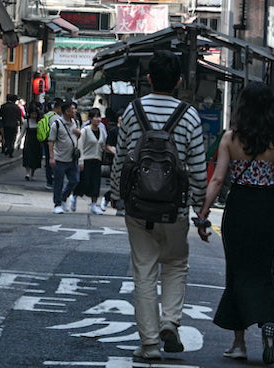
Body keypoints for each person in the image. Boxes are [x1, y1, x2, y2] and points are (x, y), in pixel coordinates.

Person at [111, 50, 207, 361]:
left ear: (149, 79)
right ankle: (170, 321)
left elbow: (122, 158)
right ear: (179, 81)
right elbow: (197, 164)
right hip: (175, 209)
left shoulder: (132, 111)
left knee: (144, 272)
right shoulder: (189, 116)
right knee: (176, 264)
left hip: (138, 207)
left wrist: (116, 194)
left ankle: (150, 344)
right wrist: (199, 205)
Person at [196, 81, 274, 364]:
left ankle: (239, 343)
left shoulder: (231, 138)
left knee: (237, 274)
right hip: (266, 210)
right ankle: (268, 323)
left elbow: (216, 180)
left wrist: (203, 215)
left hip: (238, 209)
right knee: (263, 272)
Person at [50, 98, 82, 212]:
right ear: (66, 111)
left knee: (75, 180)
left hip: (72, 158)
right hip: (60, 158)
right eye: (73, 109)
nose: (75, 111)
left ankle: (63, 197)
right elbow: (51, 141)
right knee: (58, 182)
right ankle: (57, 204)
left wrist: (79, 134)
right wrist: (51, 157)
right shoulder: (57, 124)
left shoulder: (76, 122)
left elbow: (78, 138)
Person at [77, 108, 108, 214]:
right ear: (90, 118)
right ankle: (75, 196)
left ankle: (94, 204)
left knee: (96, 183)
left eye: (99, 116)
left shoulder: (102, 131)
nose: (97, 119)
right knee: (85, 182)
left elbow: (103, 145)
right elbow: (80, 146)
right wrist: (80, 160)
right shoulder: (85, 130)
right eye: (95, 117)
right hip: (86, 159)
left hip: (97, 159)